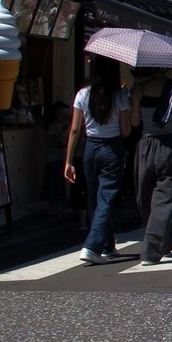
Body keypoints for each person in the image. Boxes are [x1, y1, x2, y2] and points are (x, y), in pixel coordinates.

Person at [64, 55, 131, 264]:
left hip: (90, 148)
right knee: (106, 198)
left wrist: (68, 160)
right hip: (112, 147)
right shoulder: (119, 95)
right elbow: (126, 130)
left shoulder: (83, 94)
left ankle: (108, 244)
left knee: (95, 199)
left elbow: (75, 129)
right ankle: (92, 246)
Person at [131, 67, 172, 265]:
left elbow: (133, 122)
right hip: (169, 145)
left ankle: (152, 248)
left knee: (144, 197)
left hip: (146, 145)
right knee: (164, 199)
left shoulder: (138, 89)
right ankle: (160, 243)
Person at [42, 100, 71, 214]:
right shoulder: (53, 126)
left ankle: (58, 205)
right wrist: (64, 145)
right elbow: (52, 141)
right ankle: (55, 205)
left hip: (57, 157)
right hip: (53, 157)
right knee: (55, 182)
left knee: (58, 182)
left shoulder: (60, 125)